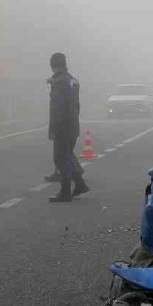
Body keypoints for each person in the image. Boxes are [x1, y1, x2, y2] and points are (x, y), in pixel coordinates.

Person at [47, 52, 89, 202]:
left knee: (60, 158)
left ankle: (65, 192)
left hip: (62, 126)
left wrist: (53, 129)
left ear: (53, 66)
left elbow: (57, 108)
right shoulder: (73, 80)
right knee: (68, 155)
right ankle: (79, 184)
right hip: (73, 124)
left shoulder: (59, 82)